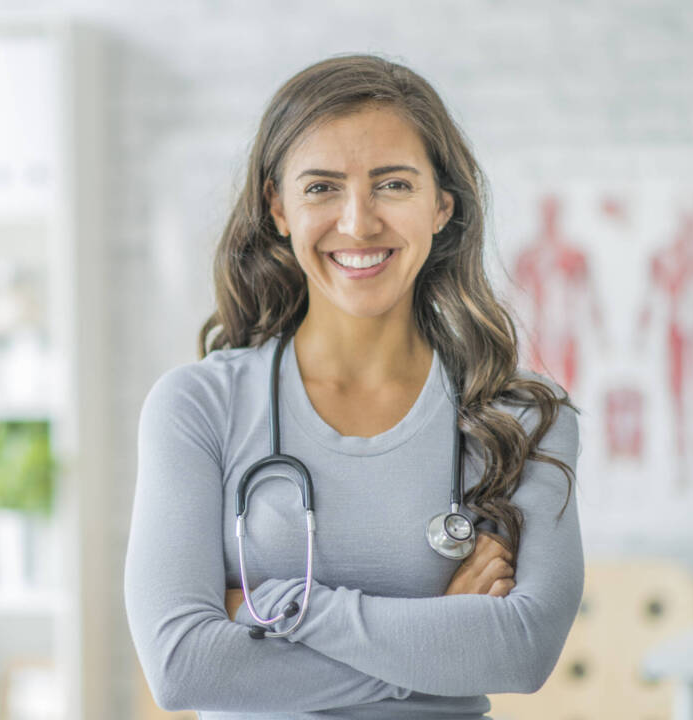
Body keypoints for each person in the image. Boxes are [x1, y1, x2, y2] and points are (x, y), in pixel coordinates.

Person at [124, 54, 583, 719]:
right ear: (276, 207)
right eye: (322, 188)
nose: (359, 221)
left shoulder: (523, 419)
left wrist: (284, 603)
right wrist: (437, 635)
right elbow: (182, 667)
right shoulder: (198, 407)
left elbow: (523, 652)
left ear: (441, 206)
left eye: (393, 185)